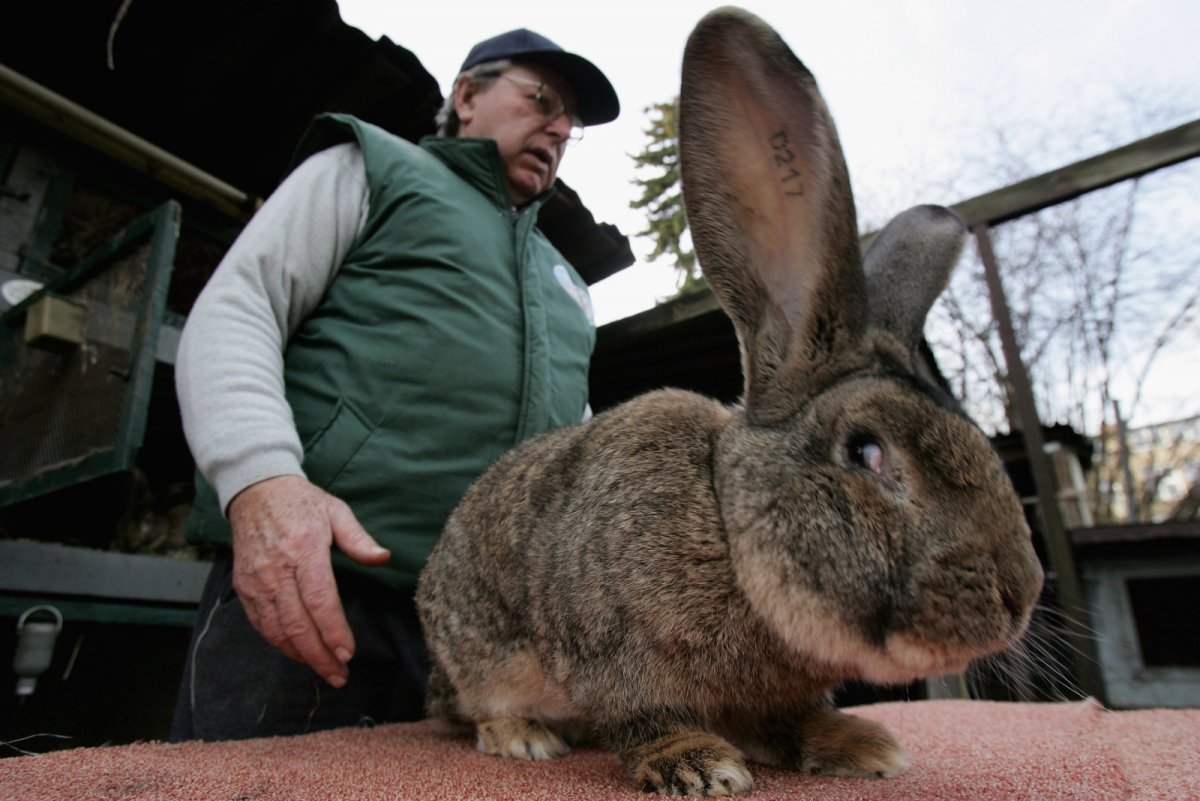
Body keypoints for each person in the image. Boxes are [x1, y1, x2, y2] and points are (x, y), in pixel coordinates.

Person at [168, 28, 619, 741]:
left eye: (571, 123)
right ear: (466, 96)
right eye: (542, 101)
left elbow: (575, 442)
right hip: (318, 591)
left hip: (484, 641)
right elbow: (238, 306)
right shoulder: (371, 168)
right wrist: (260, 483)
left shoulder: (567, 280)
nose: (559, 128)